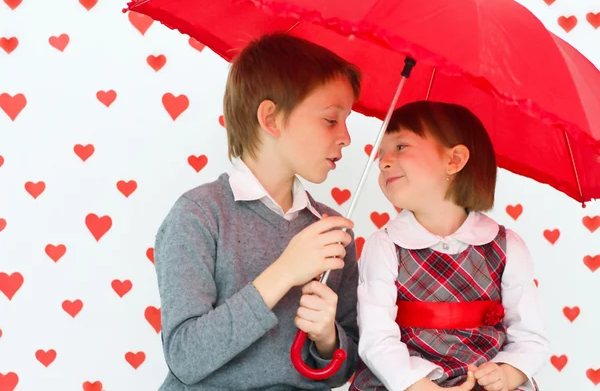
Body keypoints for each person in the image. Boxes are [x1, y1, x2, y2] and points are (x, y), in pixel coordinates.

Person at [154, 33, 363, 390]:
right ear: (271, 118)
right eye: (331, 119)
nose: (346, 137)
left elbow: (344, 368)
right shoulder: (199, 215)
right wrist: (284, 271)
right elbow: (186, 358)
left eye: (347, 121)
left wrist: (328, 338)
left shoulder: (331, 232)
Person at [350, 101, 550, 391]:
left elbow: (531, 336)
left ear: (454, 160)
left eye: (401, 147)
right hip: (408, 380)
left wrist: (507, 374)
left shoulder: (506, 246)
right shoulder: (384, 246)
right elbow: (376, 337)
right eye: (381, 153)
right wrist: (417, 386)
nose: (382, 161)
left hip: (481, 377)